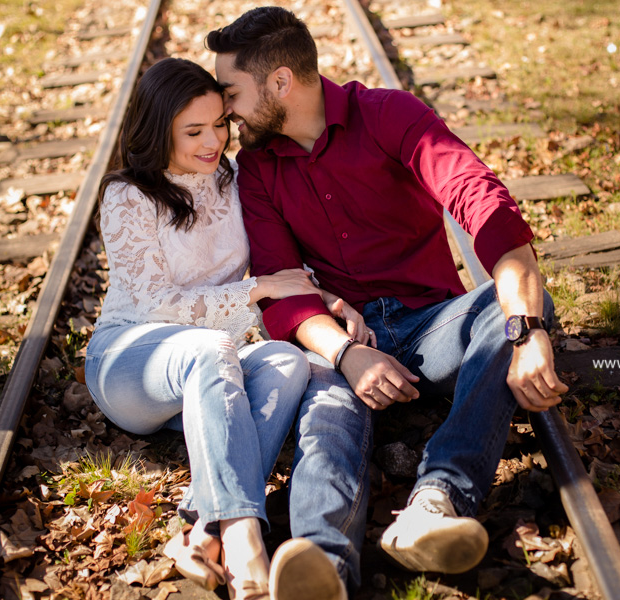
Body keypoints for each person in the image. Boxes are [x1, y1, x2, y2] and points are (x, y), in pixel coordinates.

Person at [206, 8, 570, 600]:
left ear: (279, 83)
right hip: (342, 337)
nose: (226, 111)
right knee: (325, 415)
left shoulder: (388, 115)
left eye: (231, 93)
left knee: (502, 313)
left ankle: (437, 501)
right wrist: (347, 353)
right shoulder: (257, 169)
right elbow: (280, 288)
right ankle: (321, 568)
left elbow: (484, 203)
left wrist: (528, 332)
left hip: (433, 326)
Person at [83, 57, 371, 600]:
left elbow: (277, 268)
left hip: (212, 369)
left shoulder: (230, 178)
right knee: (213, 348)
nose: (213, 140)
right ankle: (244, 540)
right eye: (193, 131)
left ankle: (202, 526)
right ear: (156, 130)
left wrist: (322, 296)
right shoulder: (127, 195)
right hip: (130, 363)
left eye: (220, 123)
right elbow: (156, 305)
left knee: (286, 363)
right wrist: (257, 289)